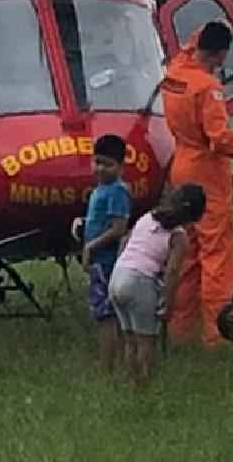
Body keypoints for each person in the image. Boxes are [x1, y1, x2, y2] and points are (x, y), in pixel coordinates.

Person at [161, 21, 233, 348]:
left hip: (181, 168)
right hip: (207, 174)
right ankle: (217, 335)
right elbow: (220, 138)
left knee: (188, 254)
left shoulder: (175, 73)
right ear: (221, 54)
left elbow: (189, 49)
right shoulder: (207, 87)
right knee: (216, 258)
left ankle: (180, 332)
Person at [109, 184, 207, 387]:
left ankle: (131, 381)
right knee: (146, 341)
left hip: (118, 276)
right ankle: (144, 385)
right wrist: (168, 304)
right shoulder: (179, 237)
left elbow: (125, 243)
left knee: (130, 339)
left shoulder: (147, 217)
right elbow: (172, 272)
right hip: (140, 282)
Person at [74, 134, 131, 374]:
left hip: (106, 261)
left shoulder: (117, 192)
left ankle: (108, 364)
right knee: (103, 314)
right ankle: (112, 361)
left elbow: (118, 228)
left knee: (105, 315)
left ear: (120, 166)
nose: (100, 168)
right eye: (97, 162)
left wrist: (91, 246)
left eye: (107, 164)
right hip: (98, 261)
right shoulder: (101, 189)